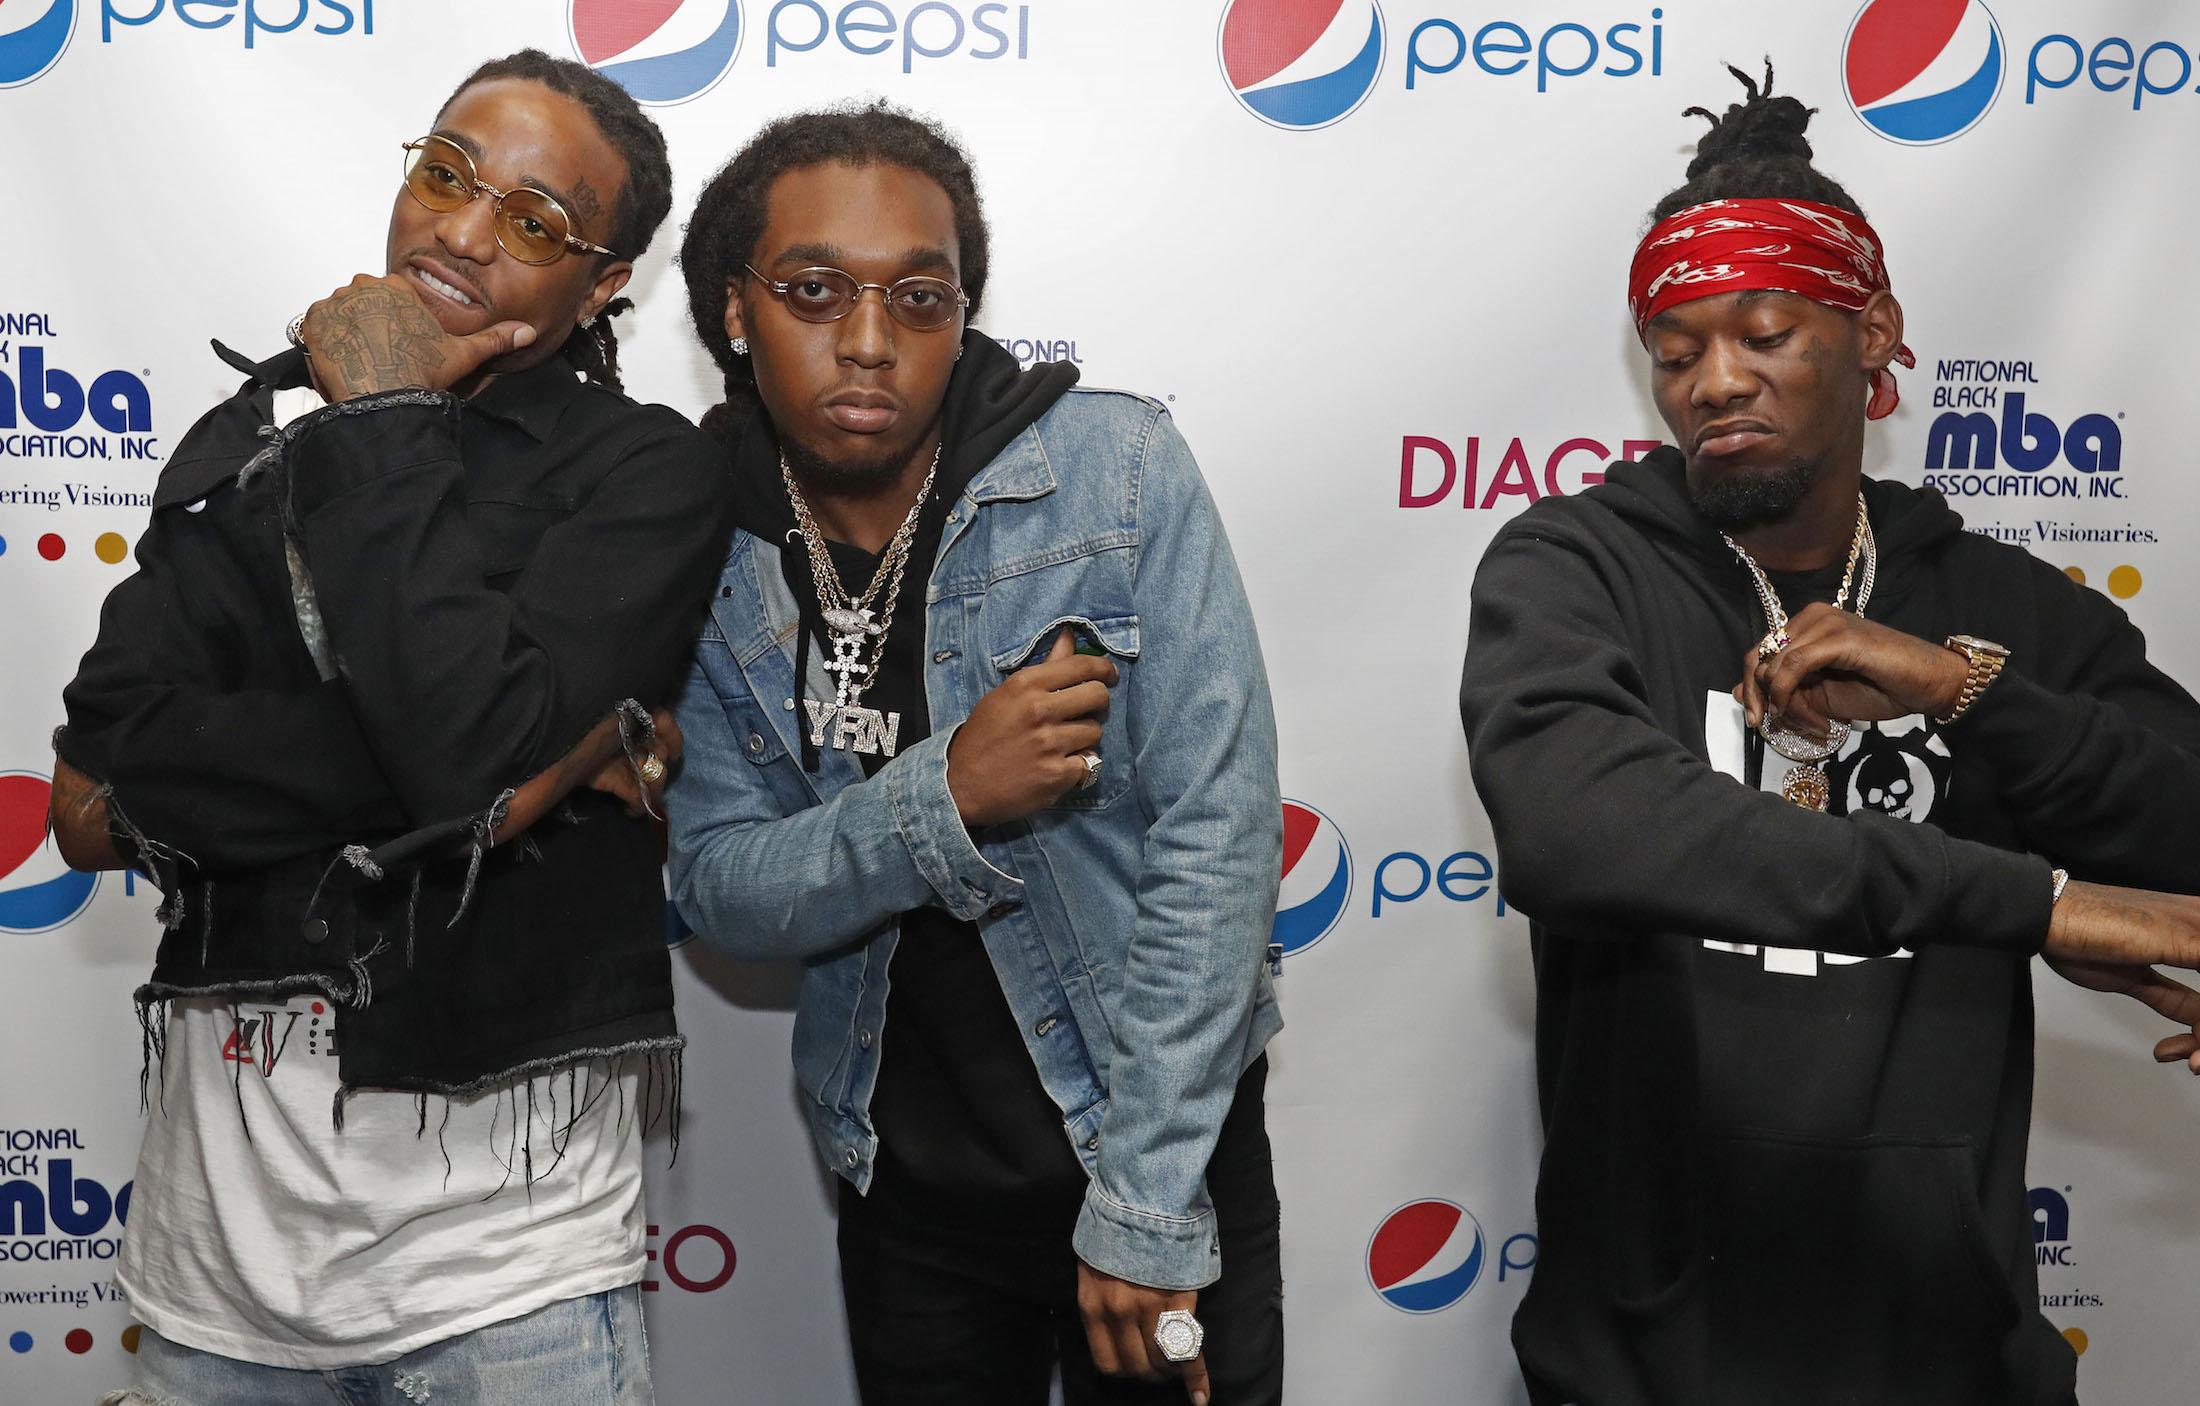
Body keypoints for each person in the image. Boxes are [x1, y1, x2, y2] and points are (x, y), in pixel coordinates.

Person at [1459, 65, 2200, 1406]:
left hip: (1954, 1348)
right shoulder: (1575, 568)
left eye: (1764, 332)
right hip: (1646, 1360)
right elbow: (1577, 825)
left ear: (1873, 334)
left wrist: (1971, 693)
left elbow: (2182, 841)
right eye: (1675, 352)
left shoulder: (1987, 603)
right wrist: (2038, 904)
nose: (1713, 383)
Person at [50, 49, 730, 1405]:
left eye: (535, 223)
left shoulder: (645, 471)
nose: (462, 232)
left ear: (604, 285)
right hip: (217, 1281)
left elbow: (465, 760)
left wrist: (385, 421)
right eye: (445, 175)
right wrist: (539, 763)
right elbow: (93, 785)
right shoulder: (256, 434)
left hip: (505, 1284)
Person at [664, 103, 1285, 1406]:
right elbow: (717, 885)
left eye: (921, 296)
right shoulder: (698, 548)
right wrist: (941, 797)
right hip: (909, 1201)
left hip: (1157, 1169)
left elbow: (1218, 843)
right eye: (816, 291)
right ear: (736, 309)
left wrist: (1146, 1206)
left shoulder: (1112, 472)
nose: (873, 341)